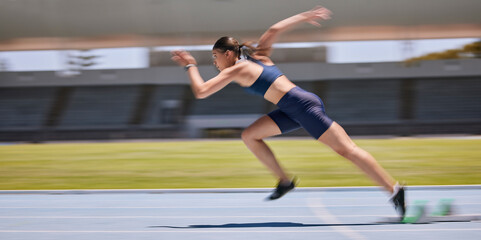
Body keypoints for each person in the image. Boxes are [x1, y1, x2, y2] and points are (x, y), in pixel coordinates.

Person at [171, 6, 406, 218]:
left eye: (215, 57)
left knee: (348, 150)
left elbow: (201, 91)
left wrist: (190, 65)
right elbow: (274, 30)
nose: (215, 63)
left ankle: (394, 189)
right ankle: (285, 182)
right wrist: (306, 16)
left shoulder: (238, 68)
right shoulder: (259, 56)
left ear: (229, 54)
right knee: (250, 135)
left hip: (302, 107)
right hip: (291, 108)